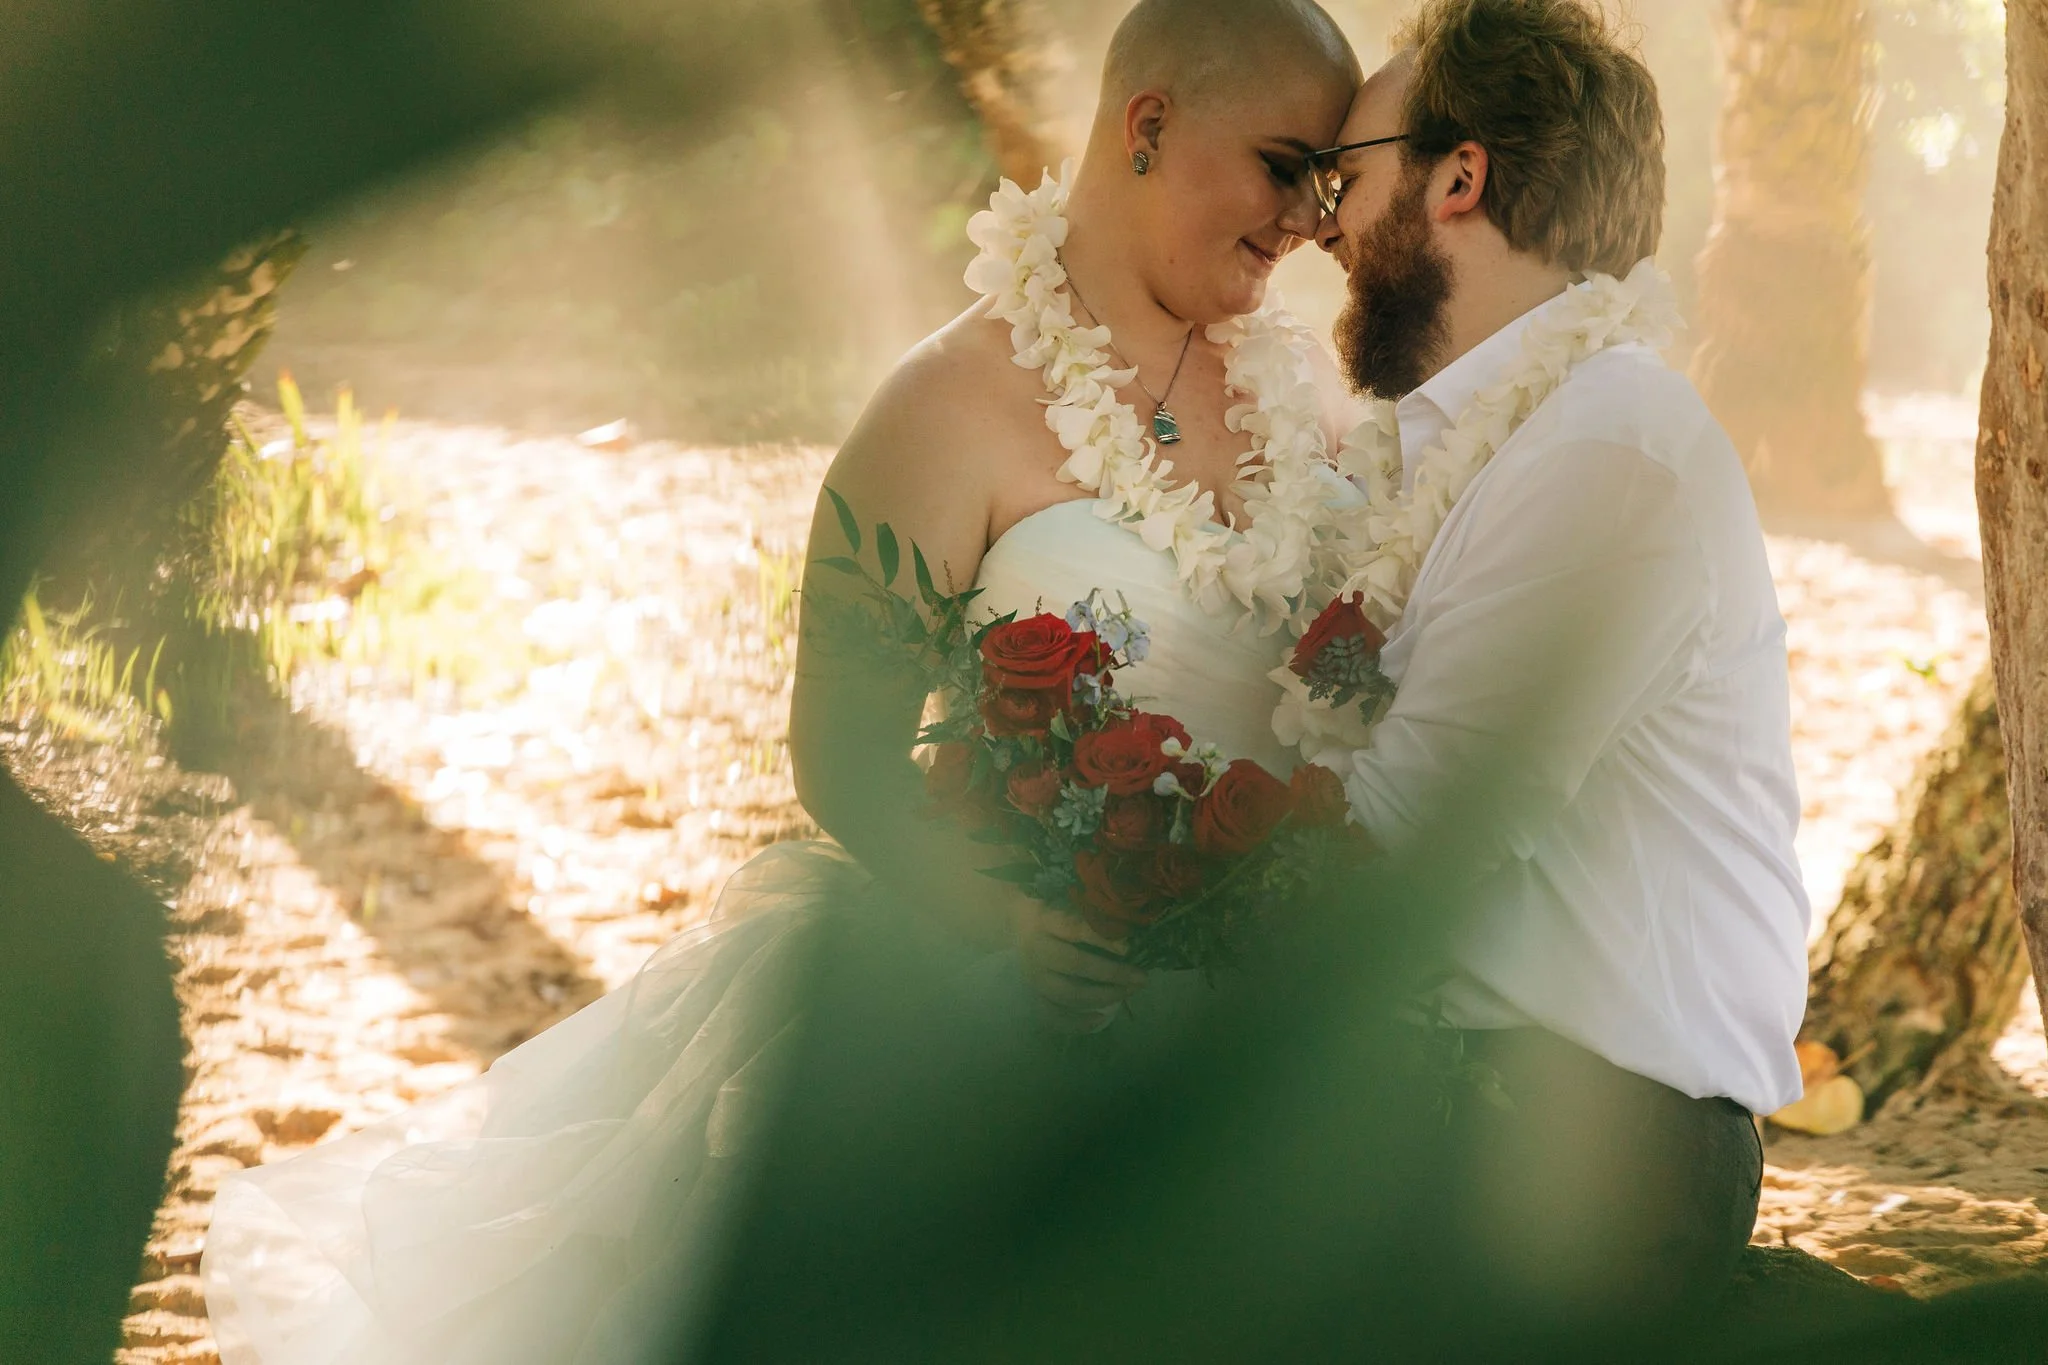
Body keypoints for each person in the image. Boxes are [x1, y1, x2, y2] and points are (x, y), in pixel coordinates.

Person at [198, 3, 1363, 1360]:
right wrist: (1013, 923)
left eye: (1330, 184)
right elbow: (846, 753)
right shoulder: (944, 410)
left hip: (1262, 1045)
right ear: (1148, 123)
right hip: (1013, 1015)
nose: (1309, 220)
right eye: (1286, 166)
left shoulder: (1323, 406)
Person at [1306, 0, 1807, 1322]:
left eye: (1342, 178)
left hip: (1591, 1141)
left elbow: (1399, 846)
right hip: (1471, 1096)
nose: (1320, 226)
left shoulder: (1609, 447)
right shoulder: (1483, 446)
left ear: (1458, 174)